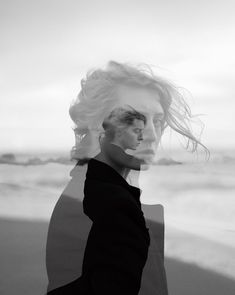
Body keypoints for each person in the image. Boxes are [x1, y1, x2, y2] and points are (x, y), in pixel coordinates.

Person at [46, 61, 208, 294]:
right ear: (96, 125)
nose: (152, 134)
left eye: (158, 121)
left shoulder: (98, 193)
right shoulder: (98, 207)